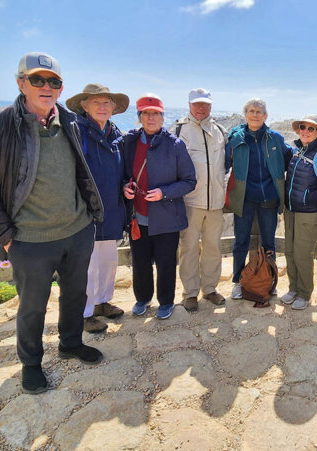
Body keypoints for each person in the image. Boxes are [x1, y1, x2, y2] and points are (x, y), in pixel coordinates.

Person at [0, 52, 104, 394]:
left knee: (75, 295)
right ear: (20, 82)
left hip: (77, 229)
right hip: (29, 239)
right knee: (32, 307)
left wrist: (91, 220)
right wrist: (5, 238)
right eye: (37, 80)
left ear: (61, 88)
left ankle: (70, 343)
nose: (46, 87)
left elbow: (79, 173)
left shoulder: (69, 120)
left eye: (53, 82)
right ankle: (31, 364)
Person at [121, 94, 196, 320]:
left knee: (166, 262)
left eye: (155, 113)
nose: (151, 118)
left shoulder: (175, 145)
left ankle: (166, 301)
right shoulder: (129, 143)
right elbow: (124, 174)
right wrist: (125, 187)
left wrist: (164, 192)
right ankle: (142, 298)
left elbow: (189, 181)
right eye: (146, 113)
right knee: (140, 262)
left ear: (163, 117)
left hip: (166, 216)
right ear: (139, 117)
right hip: (138, 215)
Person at [65, 83, 129, 333]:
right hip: (86, 210)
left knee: (108, 260)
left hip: (112, 208)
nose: (102, 107)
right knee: (86, 264)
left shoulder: (116, 134)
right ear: (84, 105)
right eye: (96, 102)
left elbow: (121, 170)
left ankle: (102, 302)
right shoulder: (76, 132)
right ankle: (84, 312)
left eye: (106, 103)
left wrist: (126, 185)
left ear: (113, 107)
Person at [224, 98, 292, 304]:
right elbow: (224, 163)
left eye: (259, 111)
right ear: (245, 114)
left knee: (269, 242)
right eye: (251, 111)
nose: (255, 114)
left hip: (269, 198)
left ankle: (269, 281)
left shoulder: (275, 138)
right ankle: (238, 281)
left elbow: (291, 157)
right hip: (243, 198)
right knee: (241, 242)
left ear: (265, 116)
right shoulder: (236, 138)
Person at [170, 89, 228, 312]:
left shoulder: (220, 130)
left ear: (211, 106)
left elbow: (226, 163)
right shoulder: (178, 129)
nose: (201, 108)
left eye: (205, 104)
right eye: (197, 104)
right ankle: (190, 293)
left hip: (215, 202)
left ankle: (210, 289)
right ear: (189, 105)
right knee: (189, 248)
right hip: (190, 202)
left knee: (213, 247)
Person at [281, 115, 317, 310]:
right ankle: (293, 288)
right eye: (303, 127)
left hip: (309, 212)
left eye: (311, 129)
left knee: (303, 254)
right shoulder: (296, 151)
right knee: (290, 251)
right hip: (291, 210)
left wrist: (306, 198)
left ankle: (304, 293)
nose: (305, 131)